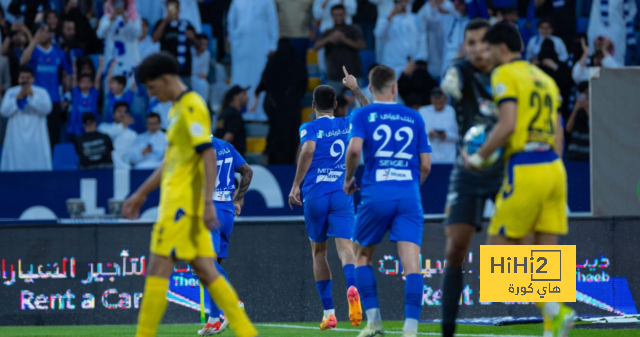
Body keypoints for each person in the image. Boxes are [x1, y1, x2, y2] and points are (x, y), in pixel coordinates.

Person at [122, 52, 258, 337]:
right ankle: (247, 332)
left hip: (183, 208)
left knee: (158, 274)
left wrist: (208, 202)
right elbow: (170, 162)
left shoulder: (192, 106)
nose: (150, 93)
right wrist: (140, 194)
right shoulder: (176, 110)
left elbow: (207, 153)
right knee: (207, 273)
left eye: (151, 86)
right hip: (183, 205)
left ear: (165, 78)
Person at [464, 22, 574, 337]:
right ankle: (553, 325)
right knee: (541, 254)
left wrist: (479, 156)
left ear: (500, 48)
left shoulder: (505, 74)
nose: (485, 54)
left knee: (496, 249)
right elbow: (558, 130)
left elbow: (508, 124)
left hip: (525, 166)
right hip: (554, 168)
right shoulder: (546, 79)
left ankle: (556, 311)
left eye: (488, 48)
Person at [343, 65, 432, 337]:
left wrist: (348, 179)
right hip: (408, 196)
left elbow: (355, 148)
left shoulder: (362, 114)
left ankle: (374, 323)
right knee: (412, 264)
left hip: (375, 194)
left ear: (371, 88)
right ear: (395, 88)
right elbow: (426, 165)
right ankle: (410, 329)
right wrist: (409, 189)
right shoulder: (414, 116)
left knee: (362, 257)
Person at [439, 18, 504, 337]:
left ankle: (552, 317)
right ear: (465, 46)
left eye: (483, 42)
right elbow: (450, 82)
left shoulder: (508, 74)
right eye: (472, 42)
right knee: (455, 249)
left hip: (505, 168)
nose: (478, 48)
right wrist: (451, 77)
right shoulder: (460, 71)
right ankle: (447, 332)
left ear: (493, 44)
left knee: (523, 244)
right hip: (468, 168)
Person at [288, 85, 362, 331]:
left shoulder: (308, 127)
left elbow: (308, 149)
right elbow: (371, 112)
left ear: (312, 106)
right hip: (341, 193)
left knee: (319, 251)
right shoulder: (347, 122)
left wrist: (296, 184)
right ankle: (352, 285)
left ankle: (329, 313)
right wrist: (356, 89)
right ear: (337, 106)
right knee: (346, 246)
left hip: (316, 194)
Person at [198, 136, 254, 336]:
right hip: (227, 212)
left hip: (209, 211)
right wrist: (238, 200)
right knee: (212, 267)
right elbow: (247, 171)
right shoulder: (226, 146)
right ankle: (214, 319)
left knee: (202, 264)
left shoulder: (196, 147)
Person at [252, 38, 308, 164]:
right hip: (292, 108)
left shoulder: (272, 62)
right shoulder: (297, 63)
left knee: (275, 135)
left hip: (275, 107)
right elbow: (303, 84)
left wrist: (259, 92)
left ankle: (273, 161)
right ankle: (291, 163)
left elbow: (264, 81)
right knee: (291, 135)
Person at [227, 0, 279, 121]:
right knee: (241, 78)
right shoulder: (237, 1)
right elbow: (231, 21)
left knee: (258, 78)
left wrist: (273, 45)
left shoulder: (267, 1)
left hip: (260, 46)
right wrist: (233, 39)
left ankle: (259, 111)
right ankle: (238, 111)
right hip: (241, 48)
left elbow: (272, 21)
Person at [21, 26, 72, 147]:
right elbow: (22, 61)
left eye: (46, 32)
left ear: (51, 34)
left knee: (53, 133)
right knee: (36, 131)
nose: (43, 35)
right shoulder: (33, 50)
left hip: (54, 98)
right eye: (40, 32)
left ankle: (51, 162)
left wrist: (67, 93)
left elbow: (65, 75)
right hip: (36, 98)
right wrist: (34, 41)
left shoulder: (58, 52)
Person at [0, 65, 52, 171]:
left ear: (33, 79)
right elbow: (3, 111)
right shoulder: (11, 92)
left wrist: (32, 96)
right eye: (22, 78)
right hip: (16, 136)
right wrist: (16, 99)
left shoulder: (41, 92)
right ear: (18, 79)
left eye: (28, 78)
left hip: (37, 135)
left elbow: (47, 109)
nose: (25, 80)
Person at [314, 4, 365, 94]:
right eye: (335, 15)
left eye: (340, 15)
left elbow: (362, 45)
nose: (338, 17)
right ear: (332, 16)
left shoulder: (353, 29)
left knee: (358, 104)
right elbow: (315, 47)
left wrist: (344, 40)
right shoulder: (328, 32)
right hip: (334, 77)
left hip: (353, 75)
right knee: (334, 106)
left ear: (345, 15)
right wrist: (329, 38)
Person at [374, 0, 427, 79]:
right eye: (399, 1)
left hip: (411, 65)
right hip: (391, 64)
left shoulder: (415, 19)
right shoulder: (385, 18)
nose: (402, 3)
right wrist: (390, 16)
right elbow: (378, 34)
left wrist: (418, 61)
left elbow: (422, 41)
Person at [152, 0, 197, 86]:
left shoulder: (187, 25)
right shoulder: (161, 24)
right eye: (169, 8)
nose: (171, 10)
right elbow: (155, 39)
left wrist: (193, 38)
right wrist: (166, 21)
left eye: (173, 8)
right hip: (166, 68)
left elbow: (197, 46)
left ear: (178, 10)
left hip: (184, 69)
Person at [97, 0, 142, 83]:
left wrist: (125, 18)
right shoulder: (106, 18)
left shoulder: (134, 17)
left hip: (129, 59)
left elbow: (137, 34)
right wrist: (112, 17)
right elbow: (100, 34)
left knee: (129, 85)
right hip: (112, 58)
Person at [587, 0, 636, 66]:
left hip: (616, 31)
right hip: (596, 28)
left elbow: (632, 10)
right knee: (595, 65)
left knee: (616, 64)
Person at [68, 57, 104, 140]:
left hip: (90, 127)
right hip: (76, 127)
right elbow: (74, 77)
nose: (85, 84)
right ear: (78, 83)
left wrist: (101, 65)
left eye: (88, 82)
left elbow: (97, 79)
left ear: (92, 84)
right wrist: (74, 63)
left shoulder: (94, 94)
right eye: (82, 82)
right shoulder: (76, 93)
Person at [418, 87, 458, 164]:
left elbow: (456, 136)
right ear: (431, 100)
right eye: (435, 103)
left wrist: (446, 135)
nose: (438, 106)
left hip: (448, 157)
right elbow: (417, 136)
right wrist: (428, 134)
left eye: (441, 103)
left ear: (445, 100)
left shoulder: (450, 111)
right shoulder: (423, 111)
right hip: (430, 157)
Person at [98, 101, 137, 169]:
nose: (122, 114)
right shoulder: (103, 127)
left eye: (125, 112)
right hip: (106, 166)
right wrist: (122, 126)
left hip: (125, 166)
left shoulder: (133, 134)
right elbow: (106, 137)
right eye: (119, 111)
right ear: (113, 114)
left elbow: (132, 154)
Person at [214, 86, 248, 158]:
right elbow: (228, 137)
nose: (247, 97)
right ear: (235, 97)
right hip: (233, 160)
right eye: (244, 94)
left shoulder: (223, 113)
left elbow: (217, 136)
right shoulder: (234, 114)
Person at [566, 81, 590, 161]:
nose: (585, 96)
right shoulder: (576, 108)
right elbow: (568, 129)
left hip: (588, 154)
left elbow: (596, 129)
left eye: (587, 93)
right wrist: (576, 109)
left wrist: (587, 108)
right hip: (574, 153)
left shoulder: (594, 110)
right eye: (582, 93)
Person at [192, 33, 211, 102]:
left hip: (198, 78)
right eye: (201, 44)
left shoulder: (207, 54)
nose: (203, 47)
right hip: (189, 77)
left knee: (203, 84)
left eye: (205, 45)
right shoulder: (190, 51)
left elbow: (204, 73)